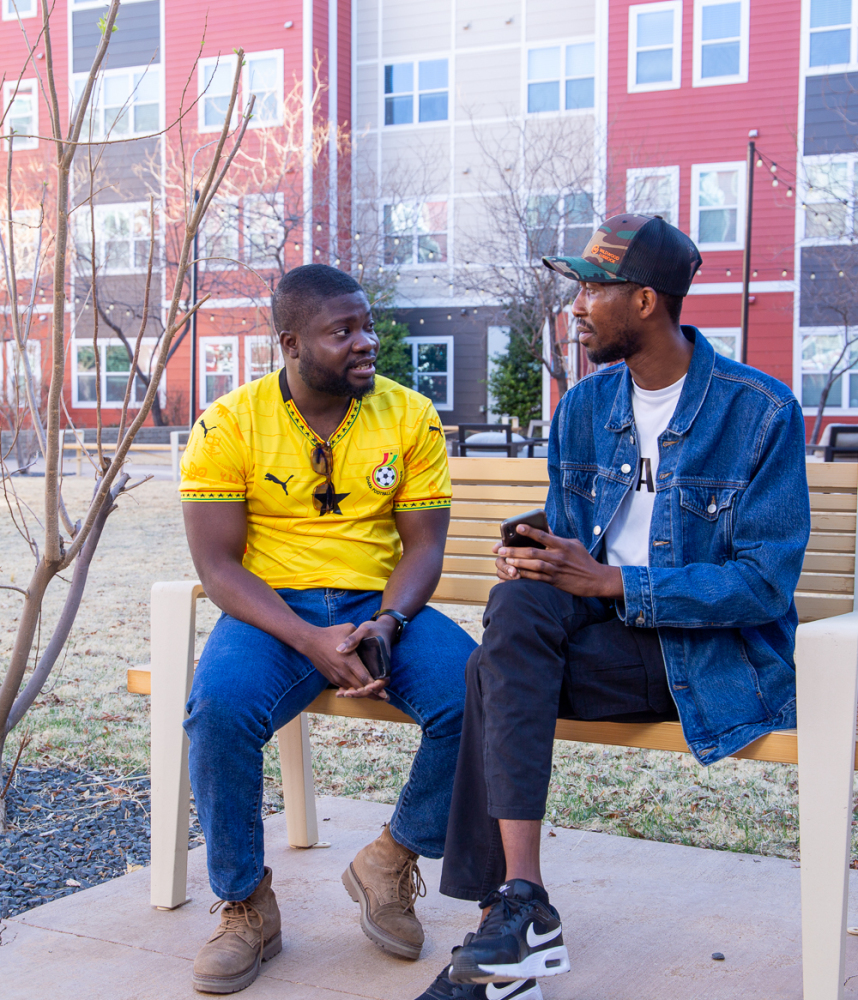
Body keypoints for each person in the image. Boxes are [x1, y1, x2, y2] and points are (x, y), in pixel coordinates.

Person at [414, 215, 810, 999]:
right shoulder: (585, 407)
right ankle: (520, 907)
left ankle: (511, 925)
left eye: (594, 289)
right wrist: (536, 554)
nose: (577, 306)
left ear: (646, 301)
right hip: (596, 635)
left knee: (491, 674)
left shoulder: (760, 412)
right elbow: (576, 531)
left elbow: (764, 583)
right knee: (516, 607)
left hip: (700, 656)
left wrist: (614, 584)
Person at [179, 264, 476, 995]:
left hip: (379, 603)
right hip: (272, 612)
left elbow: (424, 549)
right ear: (291, 343)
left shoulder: (409, 415)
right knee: (217, 711)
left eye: (366, 325)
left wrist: (388, 622)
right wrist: (307, 638)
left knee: (481, 693)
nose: (365, 342)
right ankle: (246, 903)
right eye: (342, 331)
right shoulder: (228, 424)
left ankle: (390, 859)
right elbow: (218, 567)